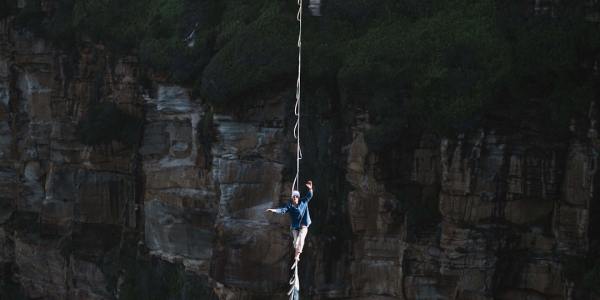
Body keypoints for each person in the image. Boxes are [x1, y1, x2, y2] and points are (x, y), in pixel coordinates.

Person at [266, 180, 314, 261]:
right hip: (295, 227)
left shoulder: (303, 202)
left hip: (304, 225)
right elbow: (282, 210)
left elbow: (309, 196)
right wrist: (273, 210)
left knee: (301, 239)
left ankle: (297, 256)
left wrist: (310, 189)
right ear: (292, 198)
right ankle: (296, 251)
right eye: (294, 196)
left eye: (296, 196)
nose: (295, 198)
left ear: (298, 197)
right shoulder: (290, 206)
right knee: (296, 242)